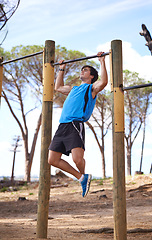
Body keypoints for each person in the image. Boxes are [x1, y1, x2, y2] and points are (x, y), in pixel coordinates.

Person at [48, 52, 108, 197]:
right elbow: (58, 87)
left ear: (92, 76)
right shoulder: (73, 89)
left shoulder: (91, 89)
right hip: (62, 125)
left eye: (85, 70)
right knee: (52, 160)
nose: (82, 71)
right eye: (82, 69)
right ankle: (82, 178)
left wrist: (102, 61)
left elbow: (104, 82)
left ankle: (83, 178)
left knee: (77, 159)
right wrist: (61, 69)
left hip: (75, 124)